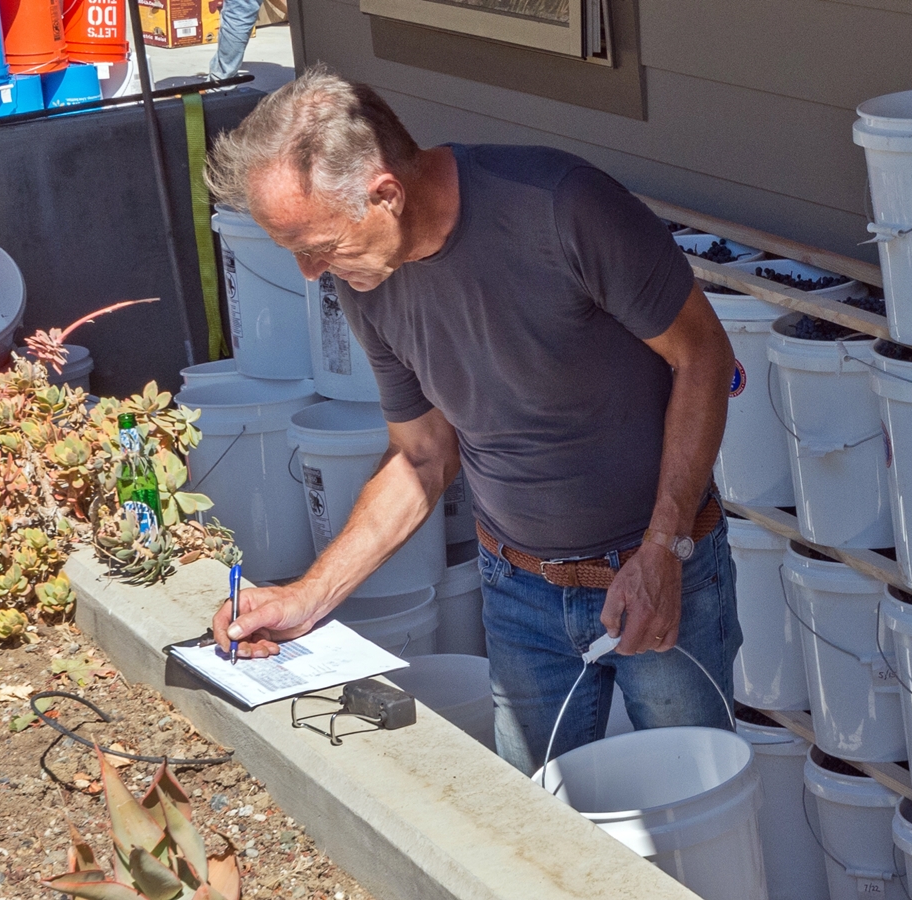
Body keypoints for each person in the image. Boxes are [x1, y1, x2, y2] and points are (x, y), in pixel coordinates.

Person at [203, 65, 741, 774]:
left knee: (691, 815)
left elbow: (704, 356)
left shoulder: (561, 207)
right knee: (533, 836)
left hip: (661, 567)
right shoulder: (368, 277)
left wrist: (662, 550)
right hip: (517, 591)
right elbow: (423, 456)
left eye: (316, 247)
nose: (310, 272)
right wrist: (309, 595)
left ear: (385, 194)